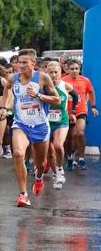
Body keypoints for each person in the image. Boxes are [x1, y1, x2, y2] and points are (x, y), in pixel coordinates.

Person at [3, 49, 61, 207]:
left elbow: (57, 100)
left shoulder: (42, 77)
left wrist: (38, 95)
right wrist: (5, 106)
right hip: (20, 123)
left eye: (24, 63)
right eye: (19, 62)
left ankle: (39, 178)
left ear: (33, 63)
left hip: (40, 125)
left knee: (40, 164)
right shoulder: (13, 78)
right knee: (18, 153)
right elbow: (7, 88)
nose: (20, 66)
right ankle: (23, 194)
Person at [46, 61, 78, 189]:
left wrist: (73, 112)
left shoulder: (66, 86)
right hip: (46, 123)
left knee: (58, 146)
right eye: (51, 72)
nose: (53, 75)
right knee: (49, 153)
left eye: (56, 72)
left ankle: (60, 171)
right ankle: (56, 174)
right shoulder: (42, 87)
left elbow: (76, 97)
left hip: (62, 121)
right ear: (46, 73)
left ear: (61, 72)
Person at [62, 59, 98, 170]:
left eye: (76, 69)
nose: (74, 71)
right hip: (66, 112)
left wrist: (93, 107)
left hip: (81, 111)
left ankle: (81, 158)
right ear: (67, 69)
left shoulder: (85, 80)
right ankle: (69, 157)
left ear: (80, 69)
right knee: (70, 136)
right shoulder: (62, 81)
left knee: (80, 133)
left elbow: (91, 92)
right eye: (72, 69)